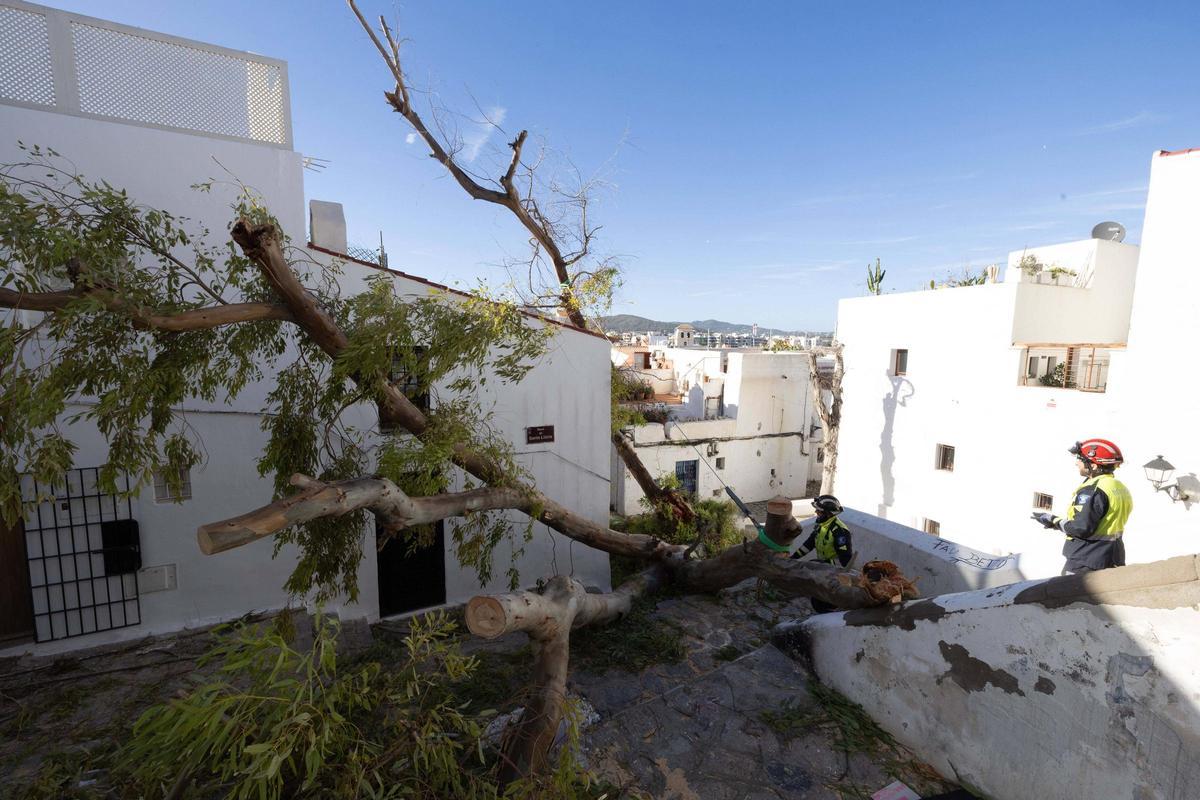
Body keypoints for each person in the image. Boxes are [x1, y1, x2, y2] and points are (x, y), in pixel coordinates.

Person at [1031, 438, 1133, 575]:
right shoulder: (1120, 487)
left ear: (1095, 466)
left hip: (1086, 561)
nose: (1076, 463)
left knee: (1067, 596)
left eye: (1081, 459)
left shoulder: (1093, 490)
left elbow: (1081, 528)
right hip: (1113, 557)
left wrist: (1053, 520)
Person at [790, 494, 853, 612]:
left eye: (819, 511)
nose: (816, 512)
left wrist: (822, 563)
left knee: (821, 601)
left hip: (836, 572)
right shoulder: (821, 525)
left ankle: (829, 609)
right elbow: (809, 544)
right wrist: (794, 557)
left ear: (828, 514)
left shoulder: (840, 532)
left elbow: (845, 561)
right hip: (824, 566)